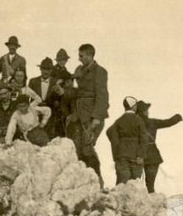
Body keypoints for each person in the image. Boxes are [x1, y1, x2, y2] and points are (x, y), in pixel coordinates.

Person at [69, 43, 109, 185]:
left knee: (87, 149)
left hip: (92, 117)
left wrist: (97, 118)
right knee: (78, 149)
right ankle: (86, 182)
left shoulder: (100, 71)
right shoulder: (79, 70)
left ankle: (98, 181)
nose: (79, 59)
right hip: (79, 115)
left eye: (81, 56)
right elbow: (79, 93)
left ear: (90, 55)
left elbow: (102, 96)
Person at [135, 100, 183, 193]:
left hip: (137, 156)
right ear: (144, 112)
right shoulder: (152, 122)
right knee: (150, 185)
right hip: (152, 156)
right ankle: (151, 201)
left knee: (134, 183)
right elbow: (168, 122)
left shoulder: (132, 124)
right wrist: (177, 117)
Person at [106, 96, 152, 185]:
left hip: (121, 155)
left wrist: (117, 153)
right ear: (134, 106)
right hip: (136, 156)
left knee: (122, 183)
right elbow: (144, 138)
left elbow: (109, 133)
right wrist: (141, 155)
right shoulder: (139, 120)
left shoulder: (119, 121)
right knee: (135, 183)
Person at [29, 57, 64, 136]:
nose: (46, 71)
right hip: (35, 112)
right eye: (44, 69)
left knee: (50, 136)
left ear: (51, 70)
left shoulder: (56, 82)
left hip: (51, 114)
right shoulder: (33, 81)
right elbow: (27, 98)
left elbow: (61, 98)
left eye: (48, 69)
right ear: (40, 69)